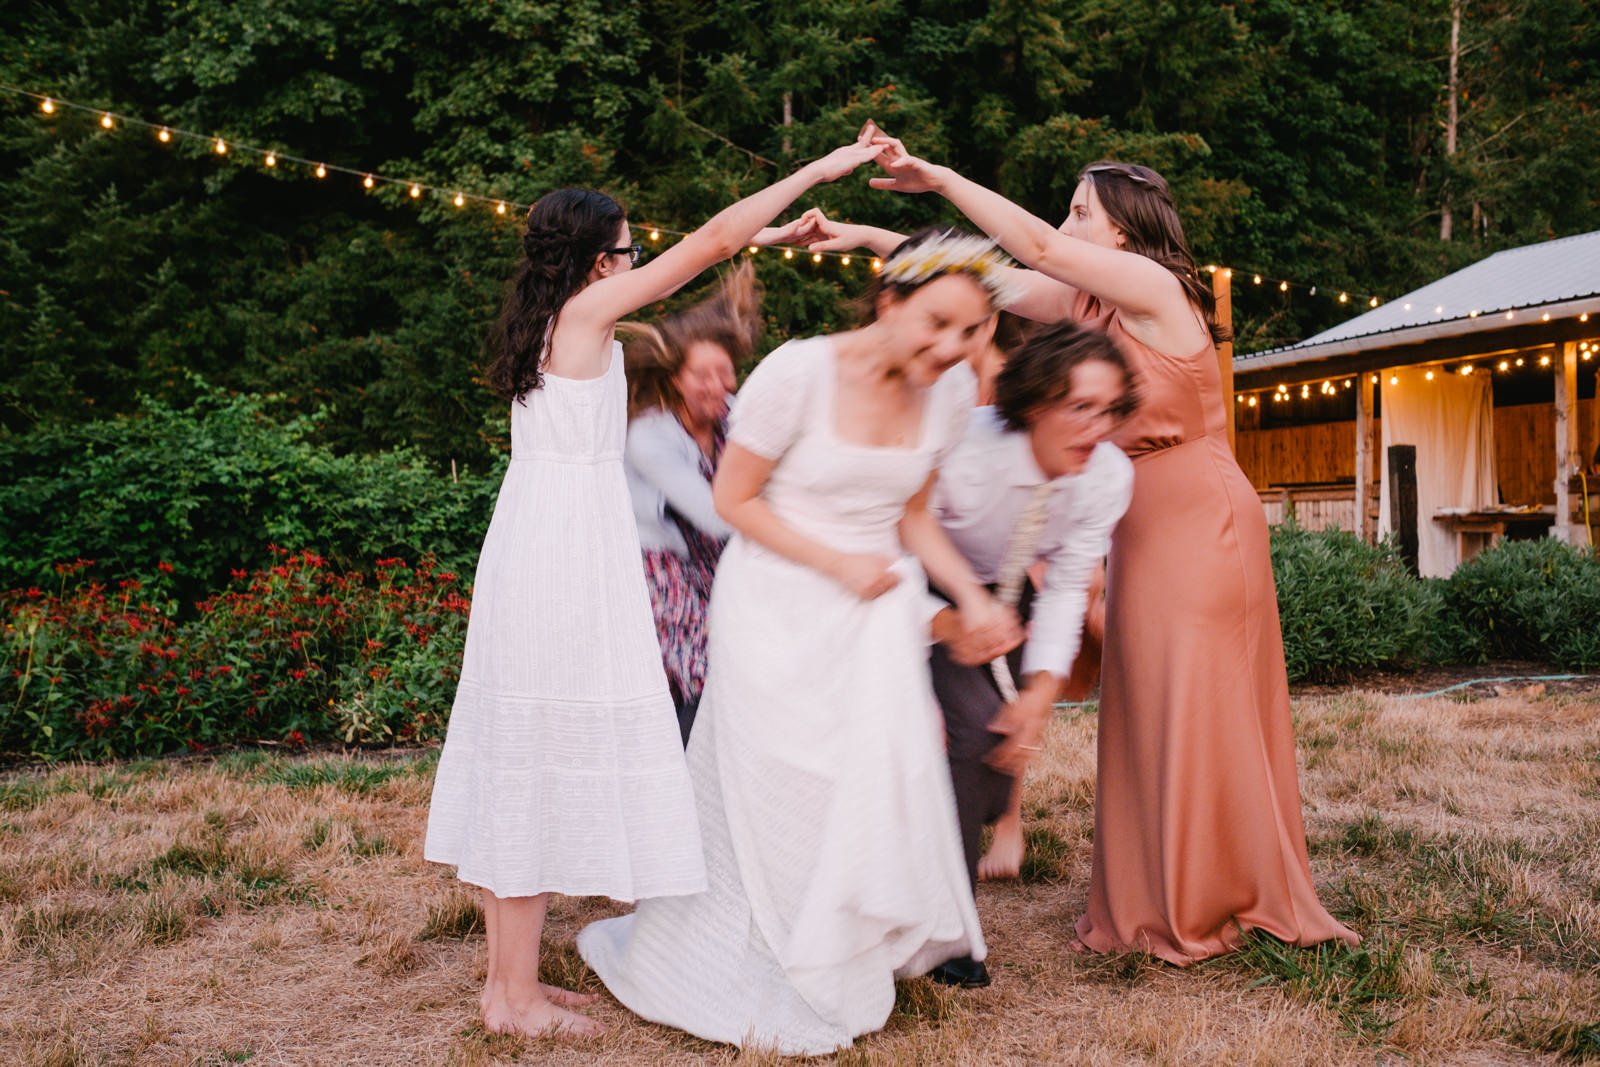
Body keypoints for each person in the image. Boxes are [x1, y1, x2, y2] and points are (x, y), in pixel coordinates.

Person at [841, 128, 1361, 964]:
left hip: (1196, 513)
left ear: (1121, 228)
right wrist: (870, 243)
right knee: (1148, 694)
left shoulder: (1154, 288)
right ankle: (1161, 887)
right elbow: (988, 281)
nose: (1065, 222)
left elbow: (1037, 248)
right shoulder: (1089, 306)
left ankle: (1216, 894)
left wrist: (940, 176)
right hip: (1136, 515)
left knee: (1196, 695)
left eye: (1081, 210)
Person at [422, 132, 887, 1040]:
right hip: (560, 559)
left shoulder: (553, 322)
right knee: (537, 757)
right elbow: (714, 240)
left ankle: (509, 981)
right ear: (601, 260)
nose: (638, 261)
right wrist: (817, 173)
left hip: (548, 544)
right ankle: (508, 999)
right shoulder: (588, 315)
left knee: (536, 752)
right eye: (631, 249)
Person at [578, 230, 1023, 1055]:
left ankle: (842, 946)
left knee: (866, 775)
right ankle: (760, 947)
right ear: (889, 301)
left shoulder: (951, 393)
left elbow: (913, 514)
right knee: (782, 776)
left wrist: (968, 595)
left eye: (971, 331)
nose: (953, 348)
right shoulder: (798, 372)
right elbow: (736, 500)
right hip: (780, 594)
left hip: (876, 604)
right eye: (936, 323)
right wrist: (836, 563)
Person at [918, 319, 1137, 988]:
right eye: (1079, 407)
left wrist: (1042, 692)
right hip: (904, 583)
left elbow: (1069, 584)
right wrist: (943, 619)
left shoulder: (1107, 475)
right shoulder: (961, 453)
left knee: (993, 751)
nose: (1097, 427)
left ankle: (951, 860)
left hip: (1003, 593)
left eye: (1109, 409)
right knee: (970, 733)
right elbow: (884, 542)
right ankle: (948, 939)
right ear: (1034, 401)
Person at [621, 262, 762, 743]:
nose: (716, 385)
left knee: (745, 672)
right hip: (662, 565)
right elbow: (716, 515)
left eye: (725, 373)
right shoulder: (650, 435)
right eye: (702, 374)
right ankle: (678, 786)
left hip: (724, 564)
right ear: (675, 379)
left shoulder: (732, 416)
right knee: (697, 671)